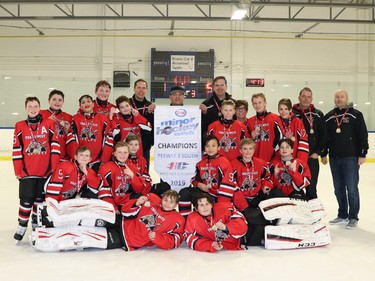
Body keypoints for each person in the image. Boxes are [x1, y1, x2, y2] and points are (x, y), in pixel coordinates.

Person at [31, 190, 185, 252]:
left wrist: (158, 238)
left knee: (85, 236)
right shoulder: (151, 199)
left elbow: (175, 240)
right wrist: (136, 203)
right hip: (121, 222)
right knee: (91, 213)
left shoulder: (176, 219)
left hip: (126, 240)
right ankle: (49, 216)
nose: (167, 203)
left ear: (176, 205)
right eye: (166, 199)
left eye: (171, 202)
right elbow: (126, 210)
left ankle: (43, 238)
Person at [12, 96, 61, 241]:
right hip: (27, 172)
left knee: (39, 201)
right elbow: (16, 149)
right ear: (25, 108)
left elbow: (55, 147)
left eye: (35, 106)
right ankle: (22, 225)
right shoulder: (20, 125)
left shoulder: (49, 123)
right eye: (30, 106)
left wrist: (53, 168)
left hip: (44, 171)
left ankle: (35, 223)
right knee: (26, 200)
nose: (33, 109)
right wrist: (18, 170)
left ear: (40, 107)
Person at [322, 89, 369, 229]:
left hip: (351, 158)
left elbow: (363, 135)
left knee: (352, 189)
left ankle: (353, 216)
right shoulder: (329, 116)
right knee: (338, 189)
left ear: (347, 98)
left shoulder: (356, 115)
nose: (339, 99)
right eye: (337, 96)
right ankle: (342, 214)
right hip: (334, 158)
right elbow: (326, 137)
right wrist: (324, 153)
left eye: (342, 96)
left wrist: (362, 153)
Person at [178, 135, 247, 218]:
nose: (210, 149)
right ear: (204, 148)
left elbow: (228, 184)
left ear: (218, 148)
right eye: (207, 146)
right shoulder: (201, 163)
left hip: (219, 196)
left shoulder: (223, 162)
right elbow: (195, 180)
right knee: (184, 193)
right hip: (207, 193)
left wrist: (220, 205)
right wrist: (199, 184)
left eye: (213, 146)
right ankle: (186, 220)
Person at [292, 87, 327, 200]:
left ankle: (313, 215)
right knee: (294, 187)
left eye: (308, 97)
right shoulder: (292, 113)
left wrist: (319, 152)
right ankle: (297, 214)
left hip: (311, 157)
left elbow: (324, 136)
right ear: (299, 97)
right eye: (303, 96)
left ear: (312, 99)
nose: (306, 99)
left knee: (311, 188)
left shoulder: (318, 114)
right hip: (295, 158)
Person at [232, 138, 284, 208]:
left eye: (250, 148)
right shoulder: (233, 165)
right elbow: (233, 185)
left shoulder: (261, 163)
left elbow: (266, 178)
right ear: (240, 151)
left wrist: (266, 186)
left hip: (257, 197)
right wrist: (243, 204)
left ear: (254, 150)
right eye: (245, 149)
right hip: (242, 199)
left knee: (277, 193)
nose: (248, 151)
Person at [66, 94, 113, 172]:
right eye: (83, 102)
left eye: (88, 101)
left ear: (93, 104)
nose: (86, 104)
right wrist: (77, 159)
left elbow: (108, 139)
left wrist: (104, 159)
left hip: (97, 161)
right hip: (81, 161)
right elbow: (72, 138)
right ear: (80, 106)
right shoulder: (76, 118)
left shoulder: (103, 119)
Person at [111, 95, 151, 160]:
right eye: (122, 107)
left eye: (127, 106)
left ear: (131, 106)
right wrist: (111, 119)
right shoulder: (116, 119)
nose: (125, 109)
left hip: (137, 154)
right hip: (123, 156)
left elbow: (148, 130)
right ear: (119, 109)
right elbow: (116, 137)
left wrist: (138, 116)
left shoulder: (136, 116)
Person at [246, 93, 282, 163]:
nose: (257, 105)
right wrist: (252, 137)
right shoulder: (250, 121)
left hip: (272, 159)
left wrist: (275, 156)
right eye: (255, 103)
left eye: (260, 102)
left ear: (265, 103)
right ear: (252, 105)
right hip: (255, 160)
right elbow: (246, 144)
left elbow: (280, 138)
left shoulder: (274, 118)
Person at [40, 89, 73, 161]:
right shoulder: (40, 114)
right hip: (45, 156)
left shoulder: (69, 117)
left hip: (63, 156)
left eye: (60, 100)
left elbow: (71, 139)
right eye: (54, 99)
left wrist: (67, 130)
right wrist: (47, 122)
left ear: (63, 102)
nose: (57, 102)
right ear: (49, 101)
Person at [129, 79, 155, 169]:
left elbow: (153, 125)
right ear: (134, 89)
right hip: (128, 144)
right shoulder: (127, 103)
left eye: (143, 88)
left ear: (146, 90)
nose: (141, 90)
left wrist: (151, 142)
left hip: (144, 145)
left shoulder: (150, 105)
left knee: (144, 170)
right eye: (138, 87)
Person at [275, 98, 309, 164]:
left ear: (290, 109)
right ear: (278, 110)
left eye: (286, 109)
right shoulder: (277, 122)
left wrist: (300, 162)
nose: (283, 112)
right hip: (280, 161)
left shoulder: (297, 122)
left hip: (295, 160)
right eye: (281, 109)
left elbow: (303, 143)